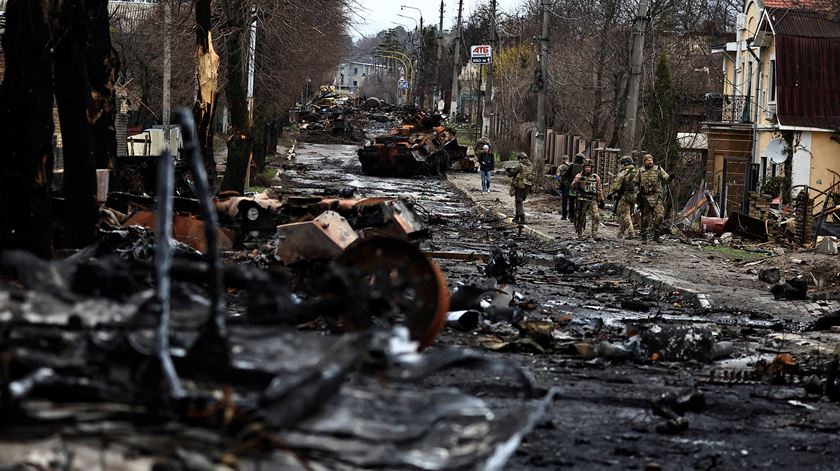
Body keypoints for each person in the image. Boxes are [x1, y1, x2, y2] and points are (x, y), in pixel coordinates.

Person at [634, 154, 671, 243]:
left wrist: (671, 178)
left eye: (651, 160)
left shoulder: (658, 169)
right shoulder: (640, 171)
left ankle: (657, 235)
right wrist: (637, 194)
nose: (650, 162)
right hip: (645, 198)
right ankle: (644, 236)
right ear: (644, 162)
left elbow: (666, 179)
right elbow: (635, 183)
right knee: (646, 218)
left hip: (657, 197)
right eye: (648, 160)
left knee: (660, 216)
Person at [571, 159, 603, 240]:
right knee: (581, 218)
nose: (588, 169)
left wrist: (601, 199)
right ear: (584, 167)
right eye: (586, 167)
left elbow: (599, 189)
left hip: (592, 200)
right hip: (582, 200)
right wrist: (576, 181)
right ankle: (580, 234)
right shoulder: (579, 176)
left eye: (589, 167)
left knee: (596, 216)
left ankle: (594, 234)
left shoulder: (595, 177)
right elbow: (572, 187)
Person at [608, 155, 638, 239]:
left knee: (625, 214)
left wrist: (611, 194)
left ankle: (631, 232)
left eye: (621, 164)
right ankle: (620, 233)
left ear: (624, 163)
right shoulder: (636, 172)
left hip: (625, 196)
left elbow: (616, 186)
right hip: (634, 196)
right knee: (627, 214)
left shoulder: (623, 172)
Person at [507, 152, 534, 224]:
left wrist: (508, 171)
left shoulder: (520, 165)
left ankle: (522, 217)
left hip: (520, 185)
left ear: (521, 158)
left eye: (519, 159)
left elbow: (512, 173)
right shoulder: (531, 165)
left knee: (518, 201)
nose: (519, 161)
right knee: (520, 200)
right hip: (528, 185)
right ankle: (516, 217)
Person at [566, 153, 585, 223]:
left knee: (571, 202)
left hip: (572, 186)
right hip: (581, 187)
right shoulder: (584, 167)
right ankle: (578, 216)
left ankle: (571, 216)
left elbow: (566, 175)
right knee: (579, 202)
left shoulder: (572, 166)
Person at [554, 155, 572, 219]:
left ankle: (564, 216)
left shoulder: (560, 167)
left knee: (564, 200)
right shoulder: (572, 166)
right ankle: (571, 216)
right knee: (572, 200)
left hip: (564, 185)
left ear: (563, 160)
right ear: (568, 159)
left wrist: (557, 184)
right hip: (572, 185)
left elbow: (557, 176)